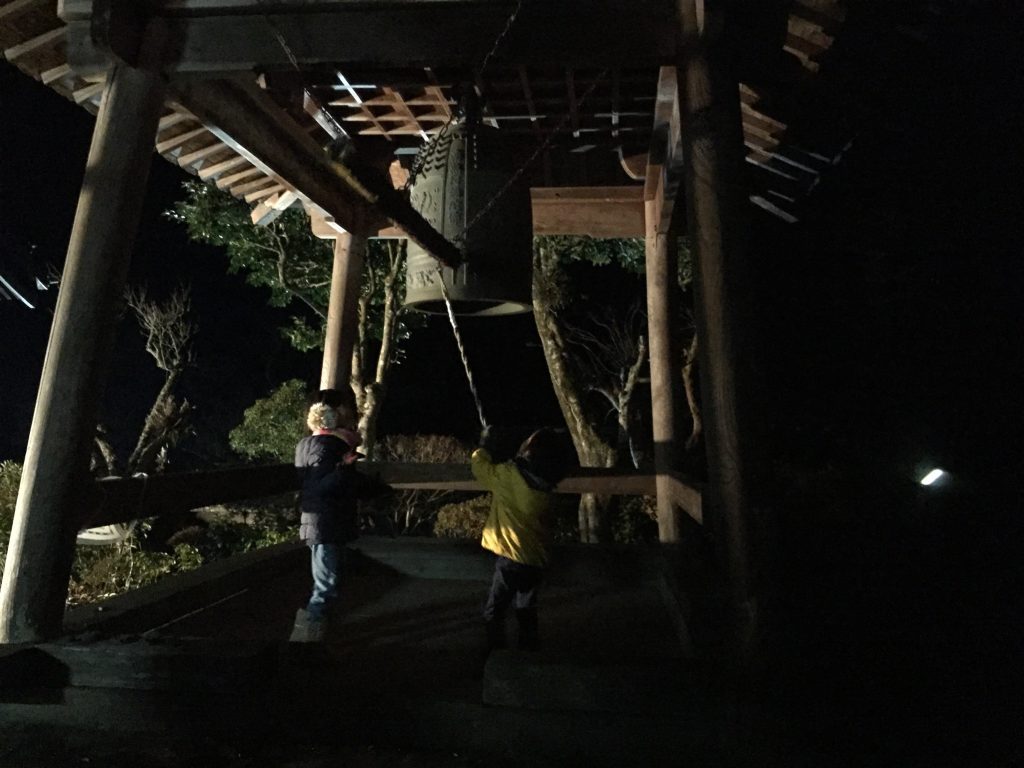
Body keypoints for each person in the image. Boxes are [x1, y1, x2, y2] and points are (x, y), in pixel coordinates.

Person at [290, 401, 386, 642]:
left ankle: (315, 634)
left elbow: (311, 484)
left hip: (316, 520)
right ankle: (306, 638)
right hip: (327, 521)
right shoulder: (329, 446)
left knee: (327, 579)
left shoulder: (306, 445)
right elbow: (326, 485)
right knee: (327, 583)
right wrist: (345, 469)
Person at [471, 427, 572, 651]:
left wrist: (483, 446)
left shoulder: (508, 476)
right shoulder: (547, 485)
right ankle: (528, 653)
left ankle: (496, 655)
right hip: (536, 559)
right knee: (526, 609)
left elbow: (481, 469)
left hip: (511, 558)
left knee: (494, 611)